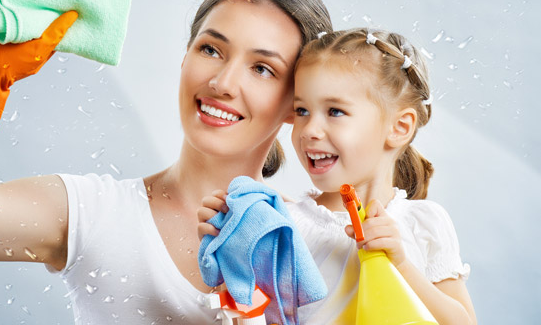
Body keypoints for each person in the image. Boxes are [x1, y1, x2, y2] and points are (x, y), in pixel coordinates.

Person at [0, 0, 332, 324]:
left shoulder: (322, 240)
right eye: (211, 49)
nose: (222, 82)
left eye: (263, 69)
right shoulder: (95, 213)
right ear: (185, 56)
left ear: (297, 103)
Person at [199, 28, 477, 324]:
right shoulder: (284, 225)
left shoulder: (423, 224)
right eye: (302, 110)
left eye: (335, 111)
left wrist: (402, 264)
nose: (310, 130)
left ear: (399, 127)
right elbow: (251, 314)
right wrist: (232, 255)